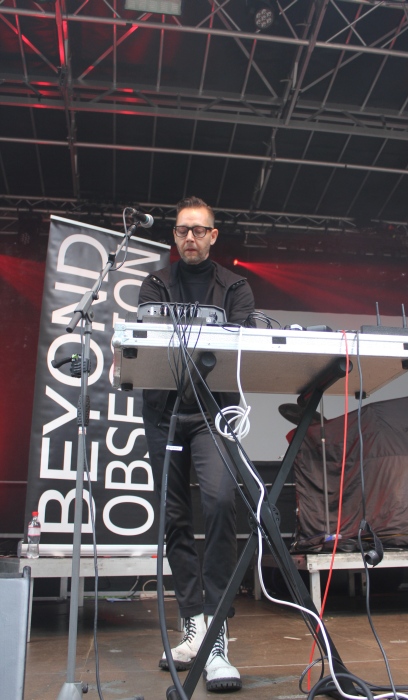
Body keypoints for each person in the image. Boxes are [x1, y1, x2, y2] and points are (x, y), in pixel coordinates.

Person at [138, 196, 256, 692]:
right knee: (173, 517)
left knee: (222, 501)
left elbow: (242, 347)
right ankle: (194, 627)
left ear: (213, 235)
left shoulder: (235, 287)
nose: (190, 237)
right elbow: (145, 342)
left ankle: (218, 635)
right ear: (174, 236)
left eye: (199, 230)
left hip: (212, 414)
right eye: (183, 230)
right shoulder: (155, 284)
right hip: (164, 413)